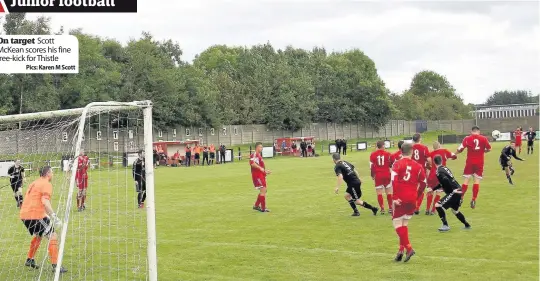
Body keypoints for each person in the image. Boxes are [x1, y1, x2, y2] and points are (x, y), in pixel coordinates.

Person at [19, 166, 67, 273]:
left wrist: (45, 215)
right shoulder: (46, 184)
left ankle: (29, 259)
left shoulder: (35, 182)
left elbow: (33, 200)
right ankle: (56, 266)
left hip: (24, 214)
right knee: (52, 235)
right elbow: (45, 201)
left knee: (39, 235)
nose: (53, 174)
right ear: (48, 173)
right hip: (34, 215)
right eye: (52, 172)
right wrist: (54, 216)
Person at [390, 143, 426, 262]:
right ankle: (400, 251)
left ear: (401, 152)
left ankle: (409, 249)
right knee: (404, 225)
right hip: (412, 198)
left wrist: (394, 197)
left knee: (396, 224)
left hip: (400, 197)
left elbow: (394, 181)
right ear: (411, 152)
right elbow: (424, 183)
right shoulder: (419, 166)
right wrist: (417, 196)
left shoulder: (397, 164)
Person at [432, 155, 472, 232]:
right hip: (459, 190)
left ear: (434, 163)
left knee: (438, 205)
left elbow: (445, 180)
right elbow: (443, 182)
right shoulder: (445, 168)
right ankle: (467, 225)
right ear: (442, 161)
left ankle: (445, 225)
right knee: (454, 210)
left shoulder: (438, 171)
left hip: (455, 191)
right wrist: (434, 189)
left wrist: (450, 191)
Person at [456, 126, 491, 209]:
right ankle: (474, 199)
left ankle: (461, 198)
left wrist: (454, 154)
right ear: (478, 131)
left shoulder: (467, 138)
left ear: (471, 131)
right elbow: (489, 148)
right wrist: (484, 151)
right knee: (476, 181)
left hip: (470, 163)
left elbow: (460, 149)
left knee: (466, 181)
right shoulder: (483, 138)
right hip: (479, 163)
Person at [425, 142, 457, 215]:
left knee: (430, 191)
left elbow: (427, 165)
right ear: (440, 146)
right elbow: (454, 156)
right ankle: (433, 210)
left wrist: (430, 168)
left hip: (432, 175)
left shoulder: (431, 153)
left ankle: (427, 209)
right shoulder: (445, 151)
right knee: (438, 192)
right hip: (441, 175)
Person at [369, 140, 393, 214]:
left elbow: (371, 166)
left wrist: (372, 175)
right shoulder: (388, 154)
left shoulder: (372, 155)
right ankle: (390, 208)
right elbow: (391, 164)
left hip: (378, 175)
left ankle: (382, 209)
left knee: (379, 193)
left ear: (377, 146)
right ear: (383, 146)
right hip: (386, 174)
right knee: (388, 191)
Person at [411, 133, 431, 214]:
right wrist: (428, 166)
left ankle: (412, 206)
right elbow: (429, 160)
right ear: (420, 139)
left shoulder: (410, 148)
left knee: (413, 189)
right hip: (421, 170)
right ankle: (417, 207)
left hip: (412, 170)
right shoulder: (424, 148)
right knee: (421, 189)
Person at [250, 142, 271, 212]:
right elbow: (252, 164)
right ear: (257, 147)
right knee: (263, 190)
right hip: (257, 176)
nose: (262, 148)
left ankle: (256, 206)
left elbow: (260, 167)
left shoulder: (258, 155)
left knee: (264, 190)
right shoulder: (254, 154)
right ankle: (263, 208)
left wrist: (265, 171)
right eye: (261, 147)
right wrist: (260, 168)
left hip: (261, 175)